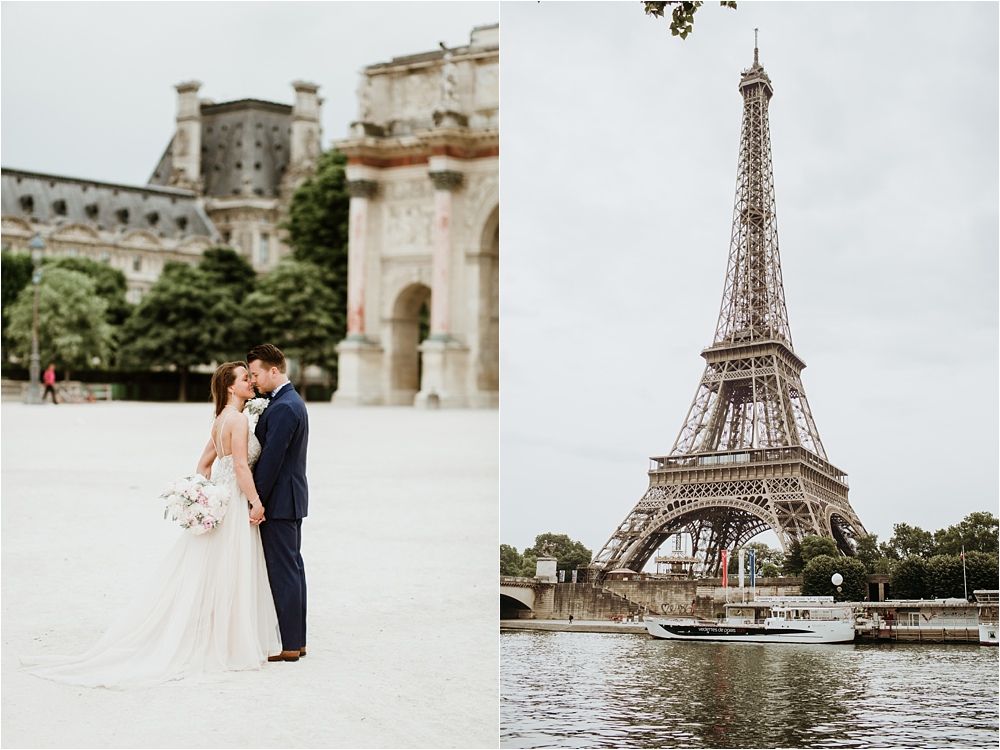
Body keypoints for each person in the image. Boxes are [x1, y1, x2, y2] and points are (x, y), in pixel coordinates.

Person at [20, 362, 281, 688]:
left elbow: (203, 465)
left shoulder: (220, 420)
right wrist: (254, 502)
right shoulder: (239, 419)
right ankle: (229, 645)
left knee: (214, 573)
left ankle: (220, 640)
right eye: (245, 378)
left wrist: (208, 497)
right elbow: (241, 466)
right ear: (231, 386)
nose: (251, 383)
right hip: (236, 504)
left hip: (222, 504)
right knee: (230, 572)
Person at [247, 344, 309, 663]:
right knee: (293, 569)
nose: (254, 380)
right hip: (290, 498)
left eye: (256, 374)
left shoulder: (284, 406)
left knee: (284, 571)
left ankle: (289, 644)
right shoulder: (288, 400)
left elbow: (272, 460)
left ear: (274, 371)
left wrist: (255, 500)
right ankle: (296, 641)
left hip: (280, 500)